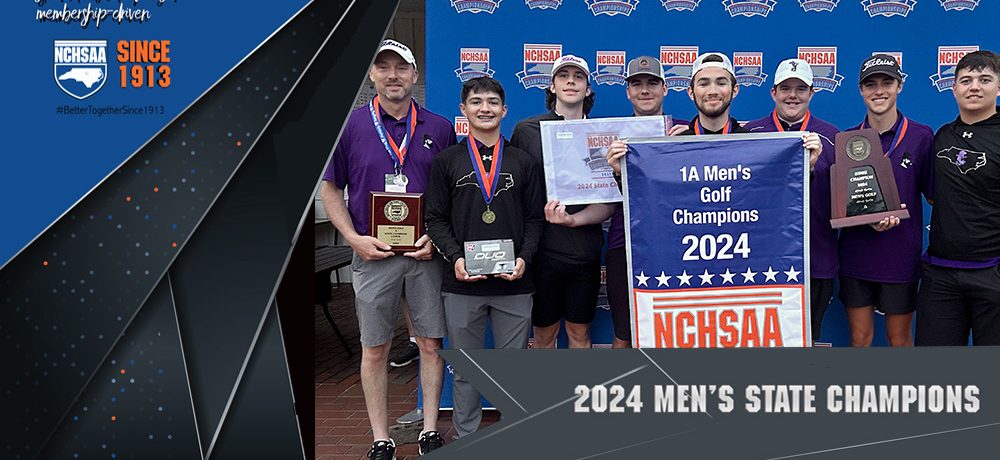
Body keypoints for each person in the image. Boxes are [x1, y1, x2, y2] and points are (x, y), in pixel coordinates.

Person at [319, 39, 452, 459]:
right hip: (372, 254)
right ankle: (381, 437)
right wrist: (352, 238)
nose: (393, 75)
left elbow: (451, 193)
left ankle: (429, 429)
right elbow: (330, 188)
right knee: (375, 348)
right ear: (372, 74)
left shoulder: (439, 128)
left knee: (430, 343)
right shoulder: (350, 127)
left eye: (402, 68)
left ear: (415, 75)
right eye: (384, 67)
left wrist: (437, 237)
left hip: (423, 255)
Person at [424, 76, 545, 436]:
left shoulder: (523, 162)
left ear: (504, 110)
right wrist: (455, 258)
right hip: (462, 283)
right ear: (463, 109)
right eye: (476, 102)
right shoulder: (447, 161)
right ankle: (467, 438)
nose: (485, 108)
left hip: (515, 283)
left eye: (492, 102)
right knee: (466, 371)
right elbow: (435, 219)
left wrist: (524, 258)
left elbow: (536, 219)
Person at [510, 55, 615, 349]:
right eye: (563, 76)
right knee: (544, 335)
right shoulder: (526, 131)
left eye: (578, 77)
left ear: (588, 89)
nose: (571, 81)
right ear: (552, 86)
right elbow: (515, 192)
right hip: (541, 253)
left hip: (584, 252)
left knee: (579, 333)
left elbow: (609, 201)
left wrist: (572, 220)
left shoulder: (603, 135)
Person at [838, 54, 934, 347]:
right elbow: (843, 202)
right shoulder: (847, 139)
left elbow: (933, 196)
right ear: (861, 90)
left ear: (899, 86)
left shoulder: (921, 136)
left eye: (887, 83)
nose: (879, 91)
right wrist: (866, 217)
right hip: (856, 253)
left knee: (899, 339)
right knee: (860, 338)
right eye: (871, 84)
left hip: (900, 255)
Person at [744, 58, 840, 342]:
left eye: (801, 89)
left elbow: (848, 200)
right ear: (773, 92)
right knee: (762, 340)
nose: (793, 95)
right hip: (761, 262)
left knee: (807, 339)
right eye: (786, 88)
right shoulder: (751, 133)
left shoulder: (832, 137)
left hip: (816, 259)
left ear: (812, 92)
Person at [598, 55, 684, 348]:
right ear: (628, 92)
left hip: (677, 243)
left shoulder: (684, 131)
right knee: (624, 334)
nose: (644, 90)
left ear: (665, 89)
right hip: (626, 242)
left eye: (652, 83)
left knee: (674, 332)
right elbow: (599, 195)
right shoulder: (613, 137)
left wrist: (687, 146)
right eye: (637, 84)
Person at [916, 50, 1000, 346]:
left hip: (992, 272)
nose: (974, 87)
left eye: (984, 79)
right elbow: (933, 195)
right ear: (953, 89)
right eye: (966, 80)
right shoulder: (942, 136)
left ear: (998, 87)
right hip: (941, 275)